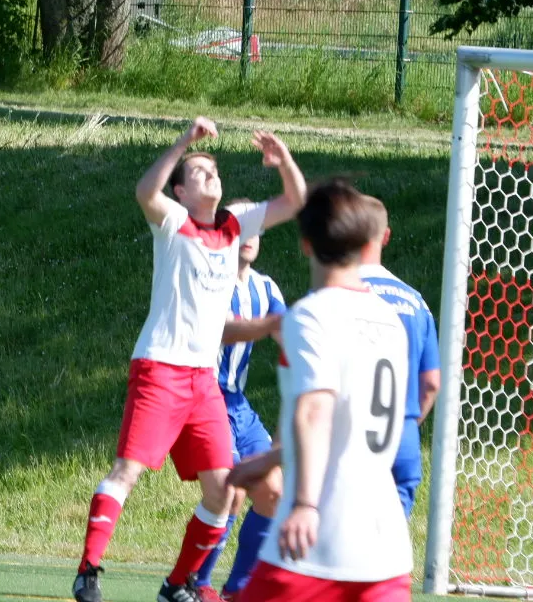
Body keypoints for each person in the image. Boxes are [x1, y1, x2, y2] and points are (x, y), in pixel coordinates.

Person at [74, 117, 307, 602]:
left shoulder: (235, 225)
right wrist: (185, 141)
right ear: (180, 191)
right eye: (198, 172)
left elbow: (295, 201)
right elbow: (145, 190)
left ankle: (176, 584)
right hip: (160, 368)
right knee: (128, 472)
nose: (210, 175)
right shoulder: (173, 223)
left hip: (204, 381)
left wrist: (283, 159)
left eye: (214, 170)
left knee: (222, 491)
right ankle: (89, 570)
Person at [230, 179, 412, 602]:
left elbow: (316, 411)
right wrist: (273, 458)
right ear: (365, 245)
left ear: (306, 244)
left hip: (318, 541)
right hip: (385, 547)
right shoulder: (388, 319)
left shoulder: (312, 315)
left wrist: (304, 504)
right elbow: (351, 422)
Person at [200, 226, 286, 602]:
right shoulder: (207, 280)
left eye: (256, 229)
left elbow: (290, 338)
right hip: (204, 396)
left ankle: (238, 590)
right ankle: (195, 583)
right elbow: (218, 330)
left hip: (238, 403)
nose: (250, 236)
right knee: (230, 491)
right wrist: (267, 325)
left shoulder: (266, 288)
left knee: (273, 490)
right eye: (241, 228)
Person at [359, 210, 440, 518]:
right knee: (391, 538)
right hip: (402, 435)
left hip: (355, 436)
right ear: (386, 236)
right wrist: (406, 424)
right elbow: (431, 383)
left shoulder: (338, 295)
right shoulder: (417, 301)